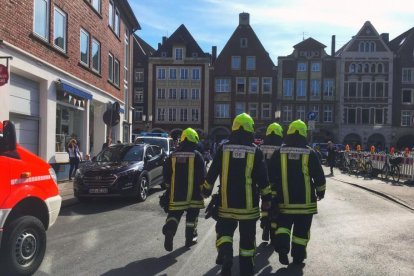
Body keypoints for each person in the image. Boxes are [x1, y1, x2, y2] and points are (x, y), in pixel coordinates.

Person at [201, 113, 272, 276]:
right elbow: (263, 178)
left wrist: (205, 190)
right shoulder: (256, 151)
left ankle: (226, 254)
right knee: (247, 240)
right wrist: (267, 199)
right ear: (250, 129)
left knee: (224, 232)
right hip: (248, 207)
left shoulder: (223, 149)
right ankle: (246, 270)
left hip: (226, 204)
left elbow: (212, 173)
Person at [268, 119, 326, 265]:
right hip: (305, 203)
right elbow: (319, 176)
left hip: (284, 201)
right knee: (301, 232)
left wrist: (271, 194)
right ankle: (298, 257)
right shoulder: (310, 153)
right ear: (303, 134)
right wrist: (321, 192)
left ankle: (282, 248)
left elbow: (271, 175)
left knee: (283, 226)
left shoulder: (278, 152)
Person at [162, 128, 206, 251]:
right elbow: (202, 175)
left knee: (174, 214)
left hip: (176, 193)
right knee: (192, 218)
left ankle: (170, 230)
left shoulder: (173, 155)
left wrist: (168, 188)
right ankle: (189, 238)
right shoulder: (197, 156)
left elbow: (166, 174)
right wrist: (204, 191)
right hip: (194, 195)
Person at [259, 122, 283, 242]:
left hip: (263, 181)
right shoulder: (282, 147)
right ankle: (273, 232)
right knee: (275, 207)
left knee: (264, 202)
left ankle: (264, 225)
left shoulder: (261, 146)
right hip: (277, 182)